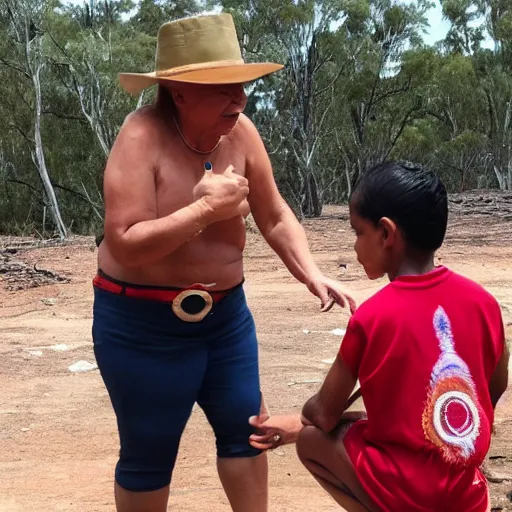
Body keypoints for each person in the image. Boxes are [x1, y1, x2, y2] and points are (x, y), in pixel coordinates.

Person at [92, 13, 355, 512]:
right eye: (223, 89)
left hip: (225, 321)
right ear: (179, 91)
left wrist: (311, 272)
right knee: (148, 452)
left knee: (247, 432)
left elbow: (275, 215)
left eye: (241, 87)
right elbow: (124, 242)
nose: (240, 99)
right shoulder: (139, 138)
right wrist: (203, 211)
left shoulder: (243, 134)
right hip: (141, 326)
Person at [249, 161, 509, 512]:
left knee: (311, 439)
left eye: (358, 232)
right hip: (466, 494)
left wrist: (303, 417)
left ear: (386, 234)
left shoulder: (371, 317)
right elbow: (494, 386)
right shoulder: (484, 304)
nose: (355, 247)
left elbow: (324, 415)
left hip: (406, 491)